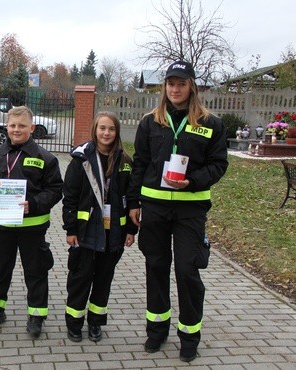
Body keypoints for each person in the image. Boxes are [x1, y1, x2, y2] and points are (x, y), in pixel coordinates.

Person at [127, 61, 228, 362]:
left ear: (191, 86)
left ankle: (189, 336)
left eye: (181, 83)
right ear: (164, 87)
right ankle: (156, 332)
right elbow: (140, 163)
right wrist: (134, 203)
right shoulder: (150, 122)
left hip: (190, 210)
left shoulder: (211, 124)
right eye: (170, 83)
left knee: (187, 270)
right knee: (156, 268)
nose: (175, 89)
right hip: (154, 207)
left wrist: (192, 181)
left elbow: (218, 164)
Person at [0, 106, 63, 338]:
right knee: (0, 269)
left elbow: (55, 190)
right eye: (13, 125)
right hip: (2, 227)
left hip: (33, 228)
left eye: (22, 126)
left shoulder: (46, 159)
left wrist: (32, 204)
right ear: (7, 126)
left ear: (31, 128)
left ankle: (36, 315)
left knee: (35, 272)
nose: (16, 130)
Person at [62, 112, 137, 343]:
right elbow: (70, 198)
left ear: (117, 132)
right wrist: (70, 230)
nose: (106, 133)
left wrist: (132, 231)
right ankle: (74, 323)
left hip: (113, 233)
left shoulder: (125, 162)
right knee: (80, 278)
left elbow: (133, 198)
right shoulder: (81, 160)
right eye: (102, 128)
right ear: (95, 130)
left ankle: (95, 323)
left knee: (103, 280)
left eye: (111, 129)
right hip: (85, 232)